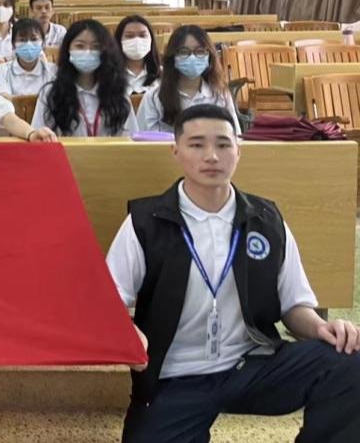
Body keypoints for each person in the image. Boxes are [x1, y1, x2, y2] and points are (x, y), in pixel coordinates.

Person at [106, 103, 360, 443]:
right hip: (176, 376)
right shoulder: (145, 222)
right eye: (197, 144)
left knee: (349, 359)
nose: (212, 156)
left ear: (239, 151)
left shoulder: (265, 219)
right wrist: (127, 333)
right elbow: (108, 302)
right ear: (176, 151)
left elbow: (294, 305)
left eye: (223, 144)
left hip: (250, 365)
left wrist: (321, 328)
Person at [31, 19, 138, 137]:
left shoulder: (117, 91)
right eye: (79, 46)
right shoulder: (50, 93)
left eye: (96, 46)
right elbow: (39, 137)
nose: (88, 52)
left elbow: (130, 138)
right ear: (68, 50)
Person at [137, 25, 241, 135]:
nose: (192, 57)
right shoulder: (154, 96)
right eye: (184, 52)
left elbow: (234, 136)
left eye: (200, 51)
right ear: (173, 57)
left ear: (209, 56)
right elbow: (140, 138)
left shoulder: (220, 95)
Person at [0, 17, 57, 98]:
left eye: (34, 39)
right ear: (13, 44)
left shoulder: (54, 71)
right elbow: (4, 99)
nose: (28, 44)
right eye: (22, 40)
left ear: (43, 43)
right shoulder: (2, 71)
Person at [115, 15, 162, 95]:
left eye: (142, 35)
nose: (137, 40)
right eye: (129, 36)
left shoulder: (163, 73)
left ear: (151, 39)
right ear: (119, 41)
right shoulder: (109, 74)